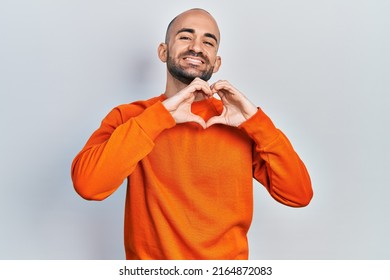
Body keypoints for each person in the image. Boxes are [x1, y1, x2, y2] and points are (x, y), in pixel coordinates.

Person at [71, 8, 313, 260]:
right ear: (163, 51)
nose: (197, 47)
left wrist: (257, 123)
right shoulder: (131, 118)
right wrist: (158, 117)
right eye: (185, 37)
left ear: (216, 62)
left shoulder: (240, 123)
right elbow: (89, 185)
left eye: (208, 41)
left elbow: (298, 194)